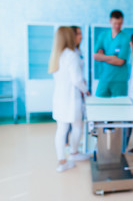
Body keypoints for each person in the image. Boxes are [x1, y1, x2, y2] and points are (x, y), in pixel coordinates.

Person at [49, 26, 90, 173]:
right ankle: (74, 153)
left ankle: (62, 161)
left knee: (61, 129)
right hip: (71, 98)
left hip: (60, 98)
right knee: (77, 125)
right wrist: (86, 90)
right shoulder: (71, 55)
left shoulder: (58, 55)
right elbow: (77, 80)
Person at [94, 10, 130, 97]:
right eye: (115, 23)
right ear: (110, 21)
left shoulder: (125, 38)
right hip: (104, 78)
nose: (118, 26)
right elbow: (95, 56)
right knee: (99, 103)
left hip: (119, 80)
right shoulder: (103, 36)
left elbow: (120, 61)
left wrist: (102, 56)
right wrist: (112, 57)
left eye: (120, 23)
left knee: (119, 107)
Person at [65, 26, 86, 146]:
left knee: (73, 120)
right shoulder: (70, 53)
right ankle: (71, 146)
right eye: (78, 34)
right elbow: (75, 78)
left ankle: (73, 144)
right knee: (72, 120)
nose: (81, 36)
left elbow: (78, 73)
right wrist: (84, 89)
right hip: (72, 90)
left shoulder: (77, 51)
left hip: (77, 88)